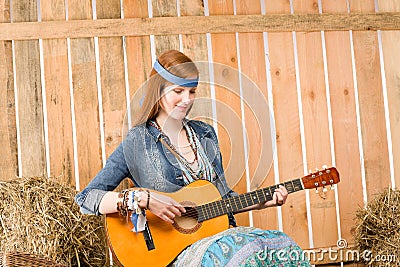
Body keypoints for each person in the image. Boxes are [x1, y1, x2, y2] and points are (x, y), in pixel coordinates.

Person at [75, 50, 311, 266]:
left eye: (192, 91)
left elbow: (223, 198)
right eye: (178, 91)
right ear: (158, 90)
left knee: (282, 247)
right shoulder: (138, 142)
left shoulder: (205, 133)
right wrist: (142, 198)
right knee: (241, 254)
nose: (187, 99)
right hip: (177, 253)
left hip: (221, 238)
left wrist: (263, 202)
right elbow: (86, 199)